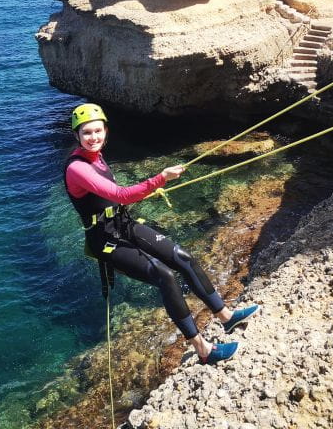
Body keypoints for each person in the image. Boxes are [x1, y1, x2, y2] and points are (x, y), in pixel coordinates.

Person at [64, 103, 259, 365]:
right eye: (86, 133)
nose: (93, 137)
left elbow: (110, 199)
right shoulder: (77, 167)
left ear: (106, 131)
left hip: (123, 224)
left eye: (98, 131)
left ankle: (226, 317)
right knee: (164, 275)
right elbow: (119, 194)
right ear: (76, 135)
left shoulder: (97, 156)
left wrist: (145, 190)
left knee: (182, 257)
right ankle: (203, 350)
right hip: (106, 240)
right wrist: (160, 179)